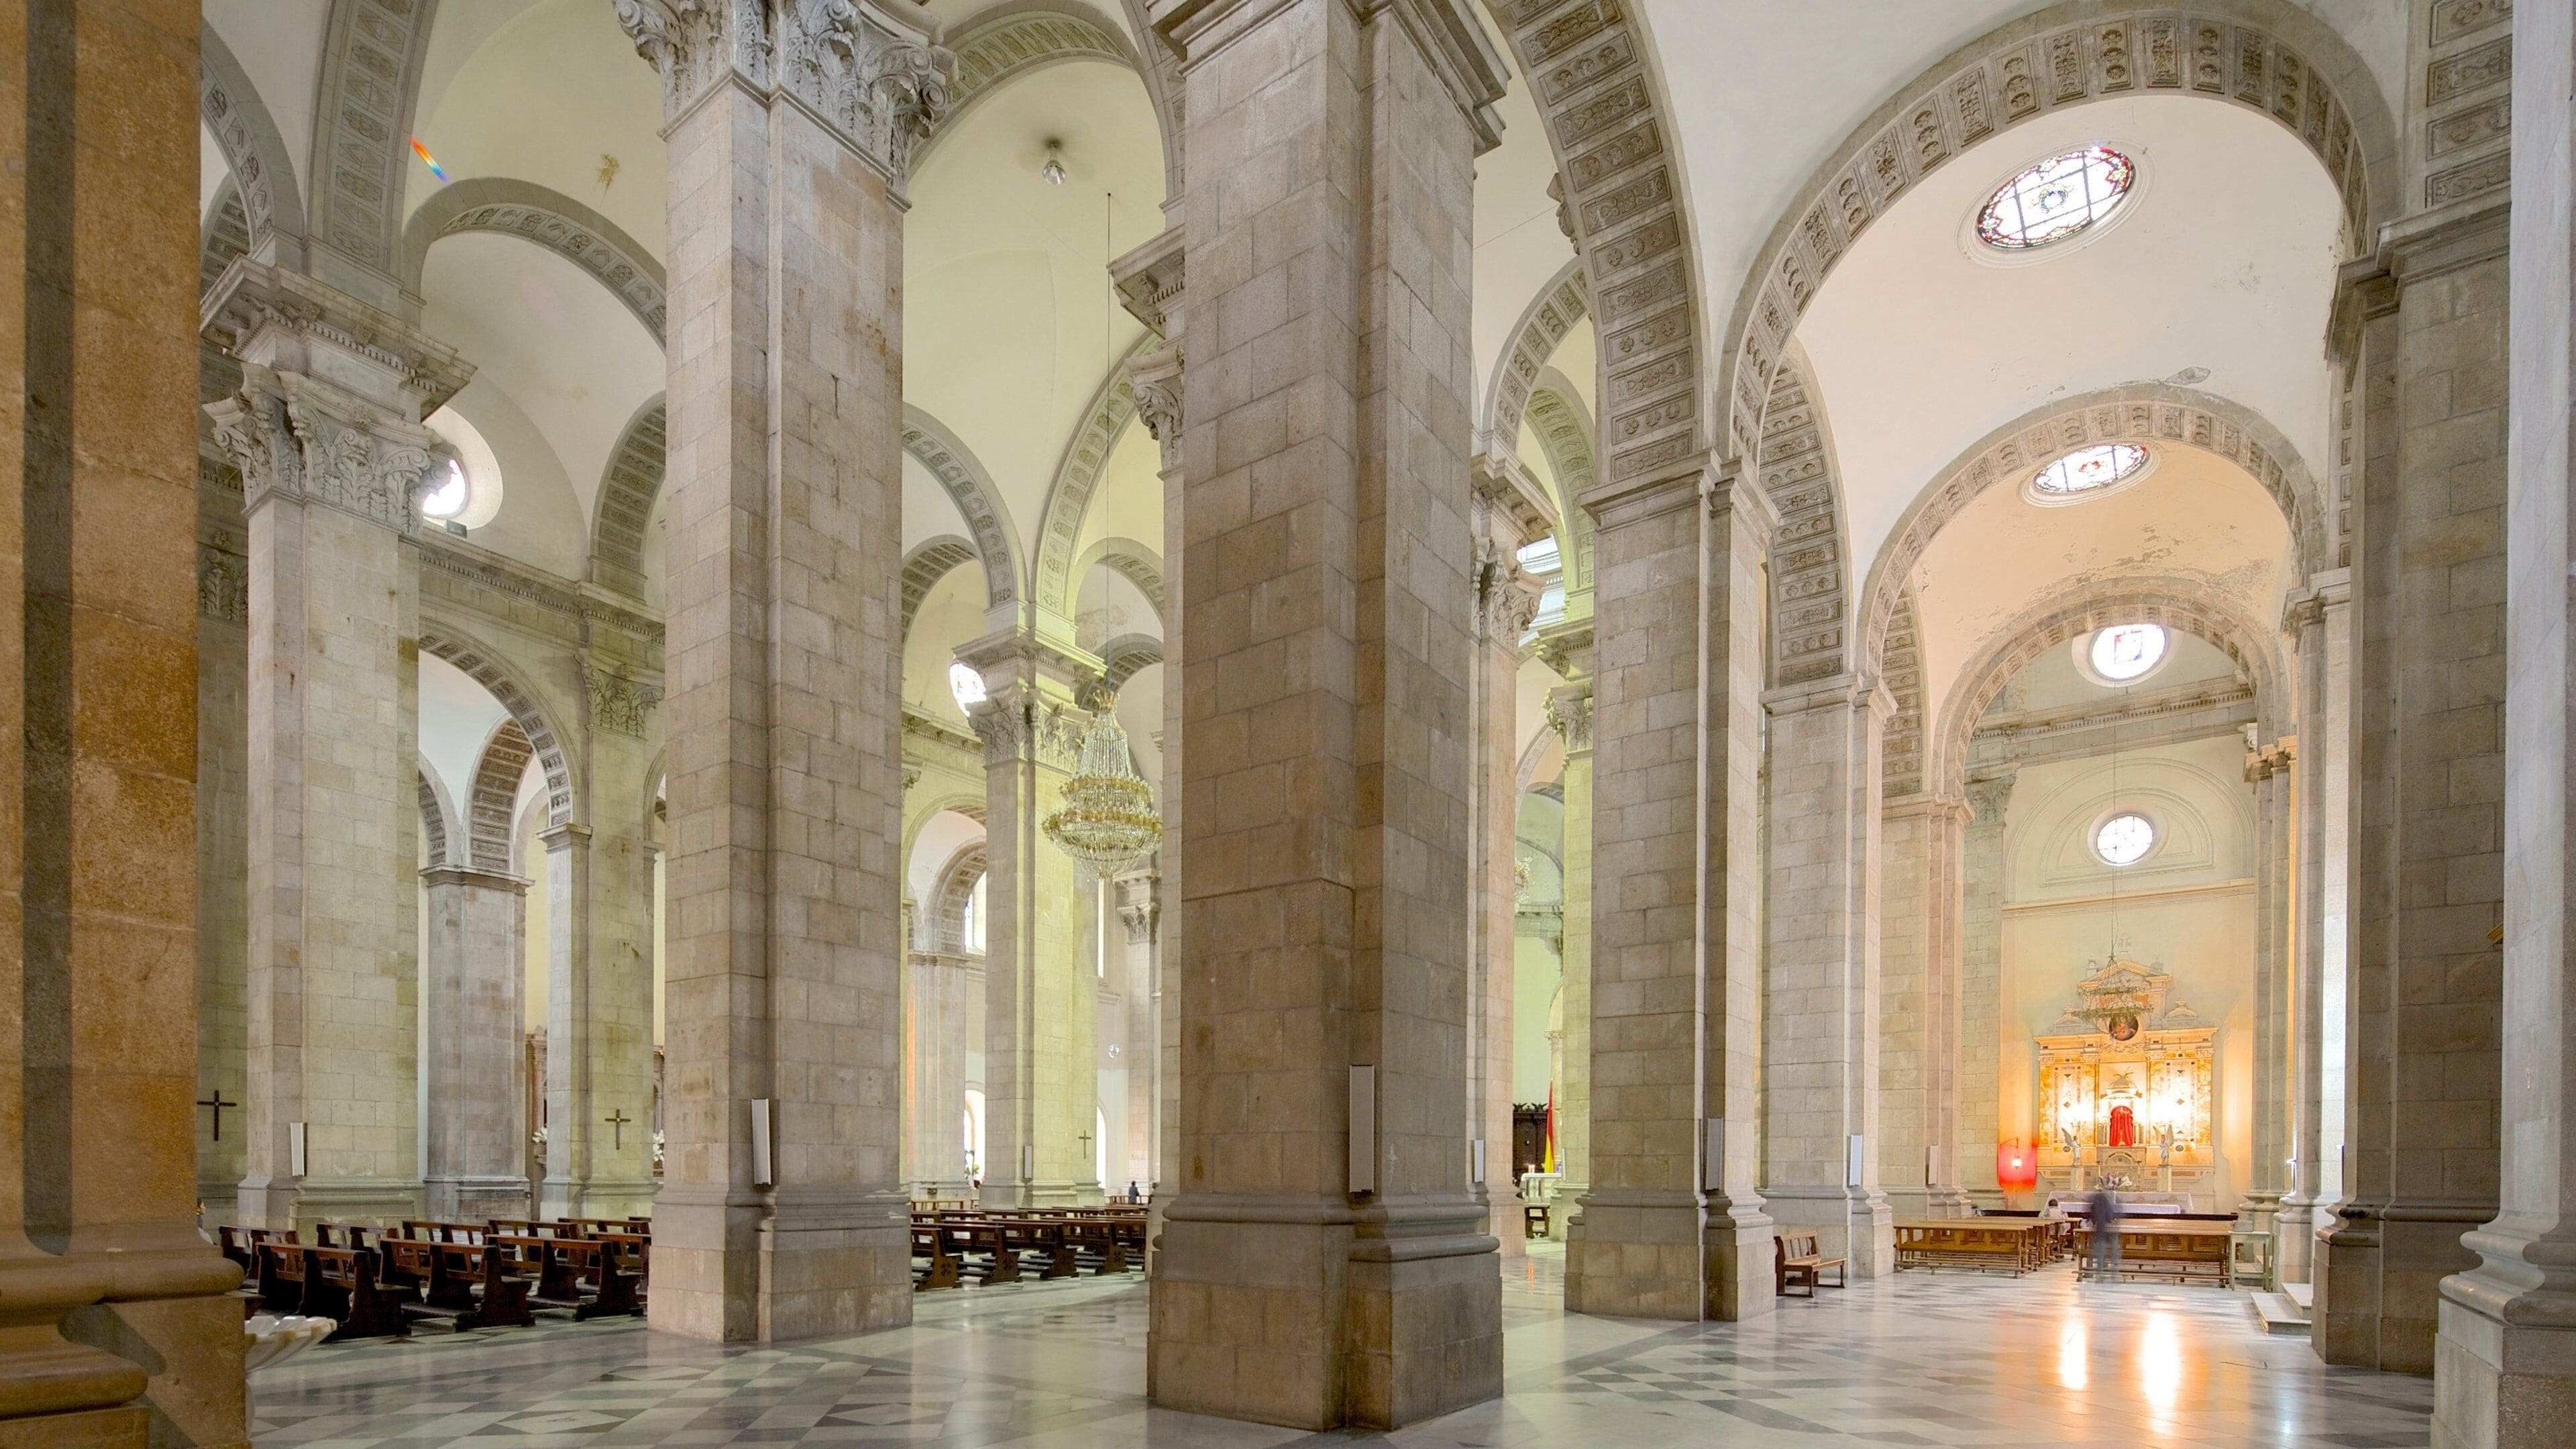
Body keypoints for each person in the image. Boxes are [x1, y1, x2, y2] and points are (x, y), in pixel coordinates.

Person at [2086, 1185, 2123, 1281]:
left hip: (2100, 1231)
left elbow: (2091, 1214)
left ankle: (2100, 1272)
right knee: (2113, 1253)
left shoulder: (2096, 1200)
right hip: (2110, 1231)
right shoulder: (2109, 1202)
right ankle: (2114, 1272)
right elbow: (2111, 1216)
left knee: (2100, 1253)